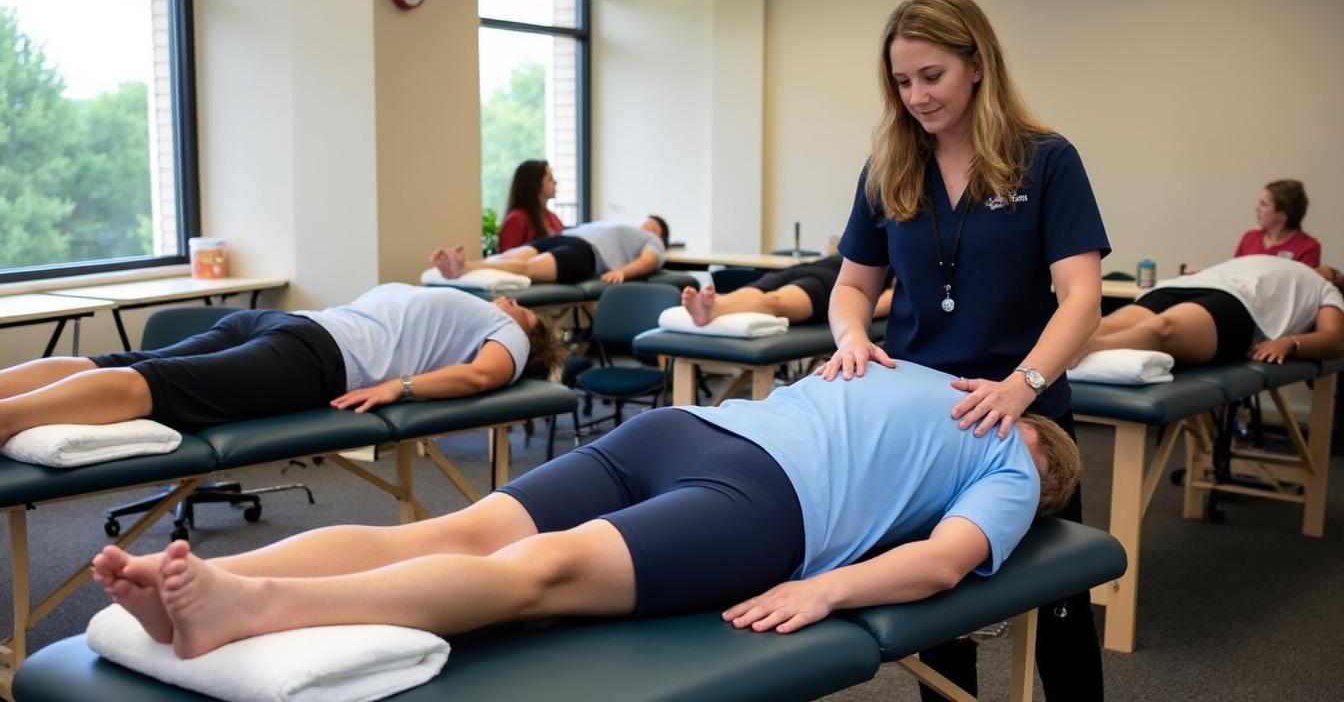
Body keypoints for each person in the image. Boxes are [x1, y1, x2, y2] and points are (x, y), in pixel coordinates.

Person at [90, 361, 1081, 661]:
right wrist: (829, 589)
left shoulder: (934, 375)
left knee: (446, 530)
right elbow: (943, 562)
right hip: (758, 502)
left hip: (681, 431)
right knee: (537, 579)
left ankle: (204, 585)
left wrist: (832, 579)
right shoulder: (1015, 458)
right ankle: (244, 610)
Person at [822, 0, 1110, 700]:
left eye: (933, 76)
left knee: (1060, 607)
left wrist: (1022, 385)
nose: (917, 96)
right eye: (902, 81)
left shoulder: (1046, 161)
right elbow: (852, 285)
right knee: (939, 617)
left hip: (1028, 419)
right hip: (927, 426)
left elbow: (1081, 299)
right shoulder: (889, 168)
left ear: (977, 64)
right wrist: (851, 337)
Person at [0, 284, 564, 444]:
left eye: (526, 312)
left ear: (530, 338)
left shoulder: (509, 337)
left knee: (141, 371)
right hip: (299, 340)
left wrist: (403, 387)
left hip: (302, 342)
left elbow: (484, 375)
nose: (514, 303)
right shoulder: (470, 305)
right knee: (145, 374)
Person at [1078, 255, 1344, 366]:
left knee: (1162, 329)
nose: (1323, 269)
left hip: (1242, 307)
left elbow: (1335, 338)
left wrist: (1290, 343)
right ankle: (1072, 348)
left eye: (1331, 272)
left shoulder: (1325, 288)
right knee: (1109, 324)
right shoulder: (1279, 262)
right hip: (1192, 284)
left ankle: (1088, 350)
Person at [430, 216, 669, 285]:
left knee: (528, 268)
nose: (646, 225)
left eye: (653, 226)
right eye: (646, 222)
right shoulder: (627, 228)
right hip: (565, 237)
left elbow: (649, 260)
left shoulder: (653, 241)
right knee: (507, 257)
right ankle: (464, 265)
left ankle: (466, 268)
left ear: (660, 235)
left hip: (587, 254)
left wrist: (623, 272)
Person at [680, 255, 894, 326]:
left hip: (830, 283)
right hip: (807, 267)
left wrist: (845, 314)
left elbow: (889, 300)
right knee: (754, 291)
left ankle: (714, 309)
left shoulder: (900, 265)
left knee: (775, 301)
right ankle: (715, 303)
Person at [1184, 179, 1321, 274]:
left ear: (1283, 214)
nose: (1257, 208)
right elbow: (1232, 275)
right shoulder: (1250, 237)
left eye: (1264, 204)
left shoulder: (1307, 247)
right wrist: (1204, 274)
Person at [497, 160, 565, 252]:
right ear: (535, 184)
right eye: (550, 179)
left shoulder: (553, 217)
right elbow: (506, 257)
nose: (555, 182)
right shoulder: (516, 220)